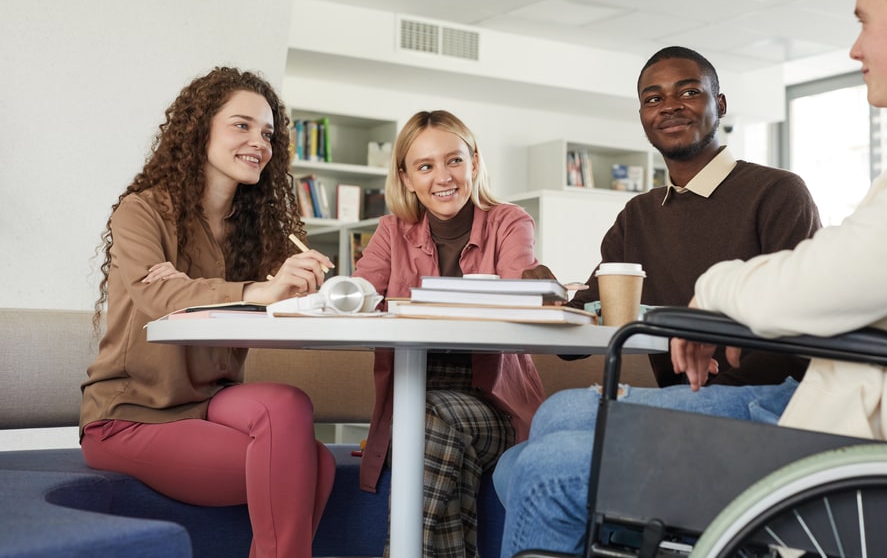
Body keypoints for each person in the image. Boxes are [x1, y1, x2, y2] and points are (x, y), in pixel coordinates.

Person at [500, 0, 887, 557]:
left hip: (852, 464)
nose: (855, 47)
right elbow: (829, 272)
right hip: (838, 424)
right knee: (550, 432)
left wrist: (711, 288)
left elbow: (808, 286)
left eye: (864, 20)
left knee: (540, 472)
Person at [491, 45, 822, 502]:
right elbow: (593, 308)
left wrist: (712, 374)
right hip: (683, 403)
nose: (669, 106)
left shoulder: (777, 192)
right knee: (512, 465)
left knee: (559, 414)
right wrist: (548, 296)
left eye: (688, 91)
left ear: (719, 105)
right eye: (652, 98)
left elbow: (798, 321)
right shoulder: (639, 214)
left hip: (765, 400)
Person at [80, 67, 336, 558]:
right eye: (241, 126)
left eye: (267, 133)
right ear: (200, 131)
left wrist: (302, 293)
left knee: (289, 406)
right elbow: (158, 300)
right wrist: (256, 291)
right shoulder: (143, 211)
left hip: (209, 402)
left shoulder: (256, 232)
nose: (258, 142)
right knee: (312, 465)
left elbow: (254, 305)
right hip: (132, 414)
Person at [352, 110, 546, 557]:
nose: (443, 177)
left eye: (454, 161)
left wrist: (533, 282)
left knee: (428, 418)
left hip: (493, 411)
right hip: (415, 412)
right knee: (431, 428)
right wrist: (344, 291)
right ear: (405, 178)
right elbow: (364, 287)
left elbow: (519, 284)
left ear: (474, 163)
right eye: (425, 166)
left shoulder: (509, 222)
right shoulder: (390, 231)